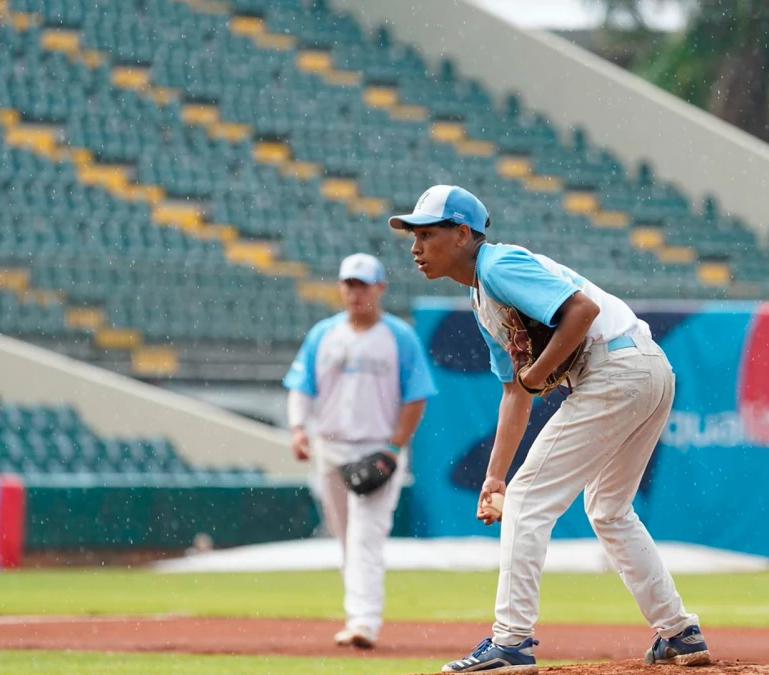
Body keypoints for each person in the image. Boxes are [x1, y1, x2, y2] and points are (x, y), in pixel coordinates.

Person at [390, 185, 710, 673]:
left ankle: (511, 641)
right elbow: (514, 392)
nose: (415, 247)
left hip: (617, 370)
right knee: (607, 509)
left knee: (530, 499)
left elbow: (582, 312)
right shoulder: (484, 299)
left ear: (461, 234)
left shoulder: (497, 265)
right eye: (412, 235)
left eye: (426, 234)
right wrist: (495, 477)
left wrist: (539, 374)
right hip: (648, 370)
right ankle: (678, 631)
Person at [283, 252, 437, 649]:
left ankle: (364, 621)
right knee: (344, 535)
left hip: (376, 447)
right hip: (329, 447)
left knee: (366, 536)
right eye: (349, 284)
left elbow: (416, 396)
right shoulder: (324, 333)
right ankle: (358, 613)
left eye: (363, 284)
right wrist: (299, 427)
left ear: (380, 288)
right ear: (340, 287)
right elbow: (302, 385)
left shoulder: (398, 336)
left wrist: (393, 447)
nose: (355, 292)